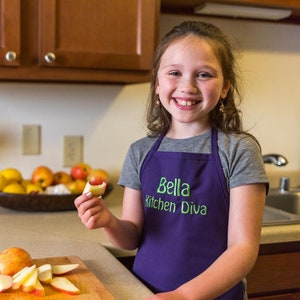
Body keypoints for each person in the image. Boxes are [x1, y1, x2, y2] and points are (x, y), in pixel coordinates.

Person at [75, 21, 268, 299]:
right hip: (147, 292)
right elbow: (131, 237)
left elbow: (243, 248)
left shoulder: (238, 150)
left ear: (225, 87)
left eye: (203, 74)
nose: (187, 86)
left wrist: (185, 295)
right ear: (157, 84)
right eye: (175, 72)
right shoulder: (140, 152)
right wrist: (108, 221)